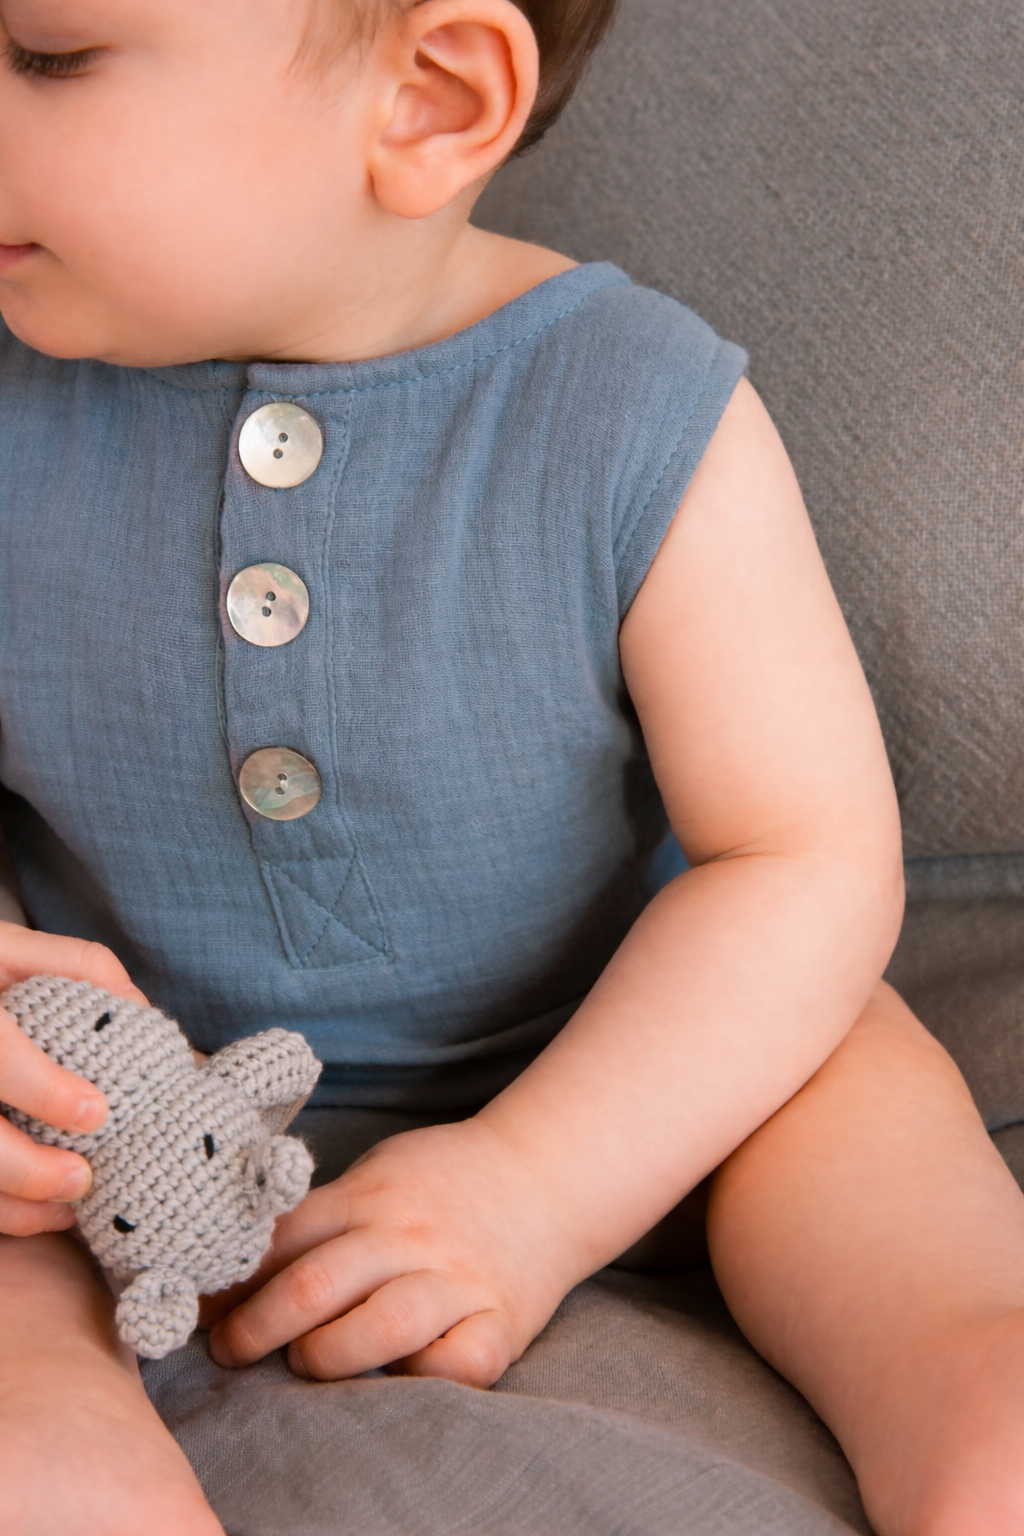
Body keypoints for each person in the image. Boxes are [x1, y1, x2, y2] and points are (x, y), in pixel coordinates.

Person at [0, 2, 1022, 1533]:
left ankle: (983, 1438)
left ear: (427, 95)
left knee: (858, 1108)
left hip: (637, 1058)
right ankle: (69, 1465)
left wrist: (541, 1182)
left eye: (48, 57)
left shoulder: (632, 414)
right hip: (114, 1119)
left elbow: (801, 859)